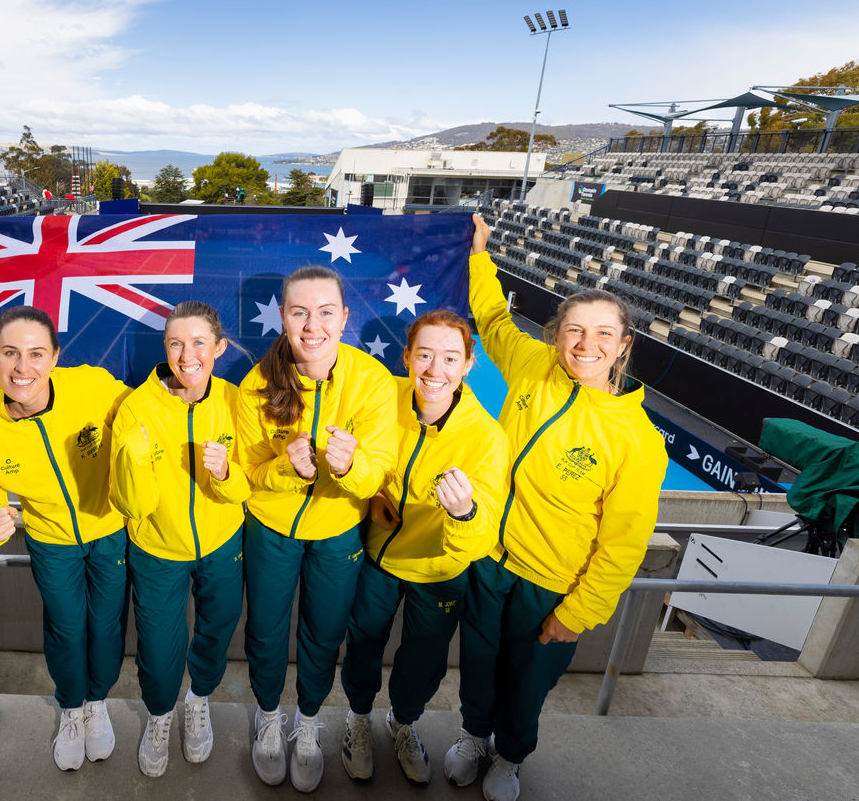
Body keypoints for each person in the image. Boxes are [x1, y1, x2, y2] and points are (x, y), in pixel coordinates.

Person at [443, 214, 667, 801]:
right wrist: (477, 255)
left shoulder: (637, 439)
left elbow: (623, 544)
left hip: (553, 583)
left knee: (527, 685)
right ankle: (473, 736)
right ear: (555, 334)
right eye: (573, 330)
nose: (584, 345)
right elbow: (491, 320)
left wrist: (579, 612)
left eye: (601, 334)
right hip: (489, 559)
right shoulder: (531, 365)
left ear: (624, 344)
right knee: (478, 667)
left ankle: (510, 757)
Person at [236, 264, 398, 793]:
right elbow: (247, 473)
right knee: (265, 628)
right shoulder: (256, 383)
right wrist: (287, 466)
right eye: (300, 312)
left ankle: (307, 724)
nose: (312, 325)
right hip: (271, 527)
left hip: (338, 530)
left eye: (325, 312)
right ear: (282, 317)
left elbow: (379, 469)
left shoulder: (372, 380)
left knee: (324, 633)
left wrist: (349, 468)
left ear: (345, 317)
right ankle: (267, 716)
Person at [0, 306, 130, 773]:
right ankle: (72, 708)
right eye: (10, 353)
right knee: (67, 627)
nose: (22, 367)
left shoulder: (92, 385)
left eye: (35, 354)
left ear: (55, 356)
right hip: (51, 541)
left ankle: (98, 702)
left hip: (111, 530)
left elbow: (142, 417)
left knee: (107, 625)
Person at [338, 310, 509, 784]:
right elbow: (359, 459)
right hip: (380, 556)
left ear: (469, 364)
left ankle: (404, 722)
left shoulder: (486, 439)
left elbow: (484, 532)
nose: (435, 370)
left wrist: (464, 515)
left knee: (422, 661)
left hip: (441, 569)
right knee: (364, 645)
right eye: (426, 355)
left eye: (450, 358)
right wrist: (372, 494)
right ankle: (356, 719)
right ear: (407, 356)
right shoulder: (383, 398)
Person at [110, 301, 249, 778]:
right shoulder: (137, 407)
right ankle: (159, 714)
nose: (186, 355)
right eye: (175, 343)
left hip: (223, 542)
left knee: (218, 625)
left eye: (198, 343)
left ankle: (199, 699)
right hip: (157, 549)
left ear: (219, 348)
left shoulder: (235, 402)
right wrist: (133, 462)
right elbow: (132, 505)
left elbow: (248, 484)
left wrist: (226, 473)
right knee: (157, 642)